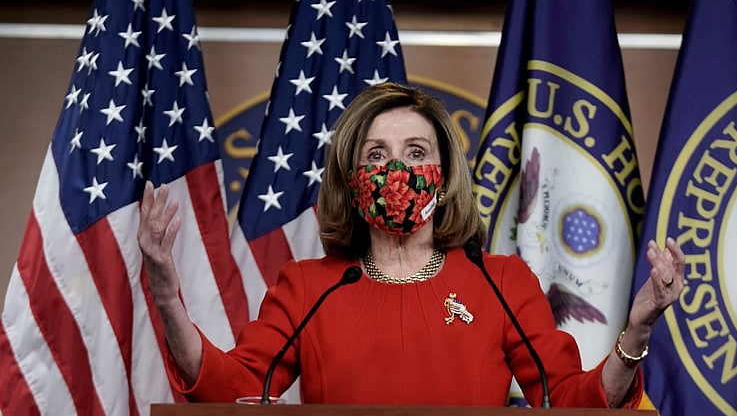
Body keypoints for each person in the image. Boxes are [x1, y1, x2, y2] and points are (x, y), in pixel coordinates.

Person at [138, 82, 686, 408]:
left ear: (444, 179)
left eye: (415, 151)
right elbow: (229, 388)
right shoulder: (309, 288)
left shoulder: (500, 283)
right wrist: (166, 293)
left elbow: (571, 400)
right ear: (353, 184)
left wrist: (637, 329)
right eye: (375, 157)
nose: (395, 169)